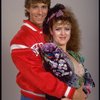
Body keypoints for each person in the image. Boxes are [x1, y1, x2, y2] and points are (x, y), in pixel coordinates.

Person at [10, 0, 87, 100]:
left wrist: (81, 88)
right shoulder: (20, 40)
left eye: (44, 7)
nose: (40, 12)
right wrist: (70, 92)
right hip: (34, 97)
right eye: (35, 7)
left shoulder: (51, 32)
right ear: (28, 8)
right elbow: (36, 75)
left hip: (57, 96)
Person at [40, 3, 95, 100]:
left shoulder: (74, 55)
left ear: (71, 31)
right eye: (58, 29)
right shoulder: (50, 51)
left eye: (67, 29)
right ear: (51, 31)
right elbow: (68, 79)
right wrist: (78, 92)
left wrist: (83, 94)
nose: (63, 33)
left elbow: (89, 81)